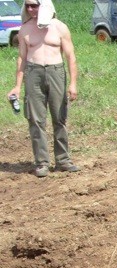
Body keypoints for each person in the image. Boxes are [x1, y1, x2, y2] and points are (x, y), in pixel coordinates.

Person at [6, 0, 79, 178]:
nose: (30, 9)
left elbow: (70, 56)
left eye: (34, 5)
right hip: (33, 73)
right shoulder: (24, 29)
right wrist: (17, 86)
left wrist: (73, 83)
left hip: (56, 72)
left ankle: (63, 160)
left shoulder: (60, 27)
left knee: (59, 117)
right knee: (35, 120)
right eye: (28, 6)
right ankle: (42, 163)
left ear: (44, 5)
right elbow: (22, 58)